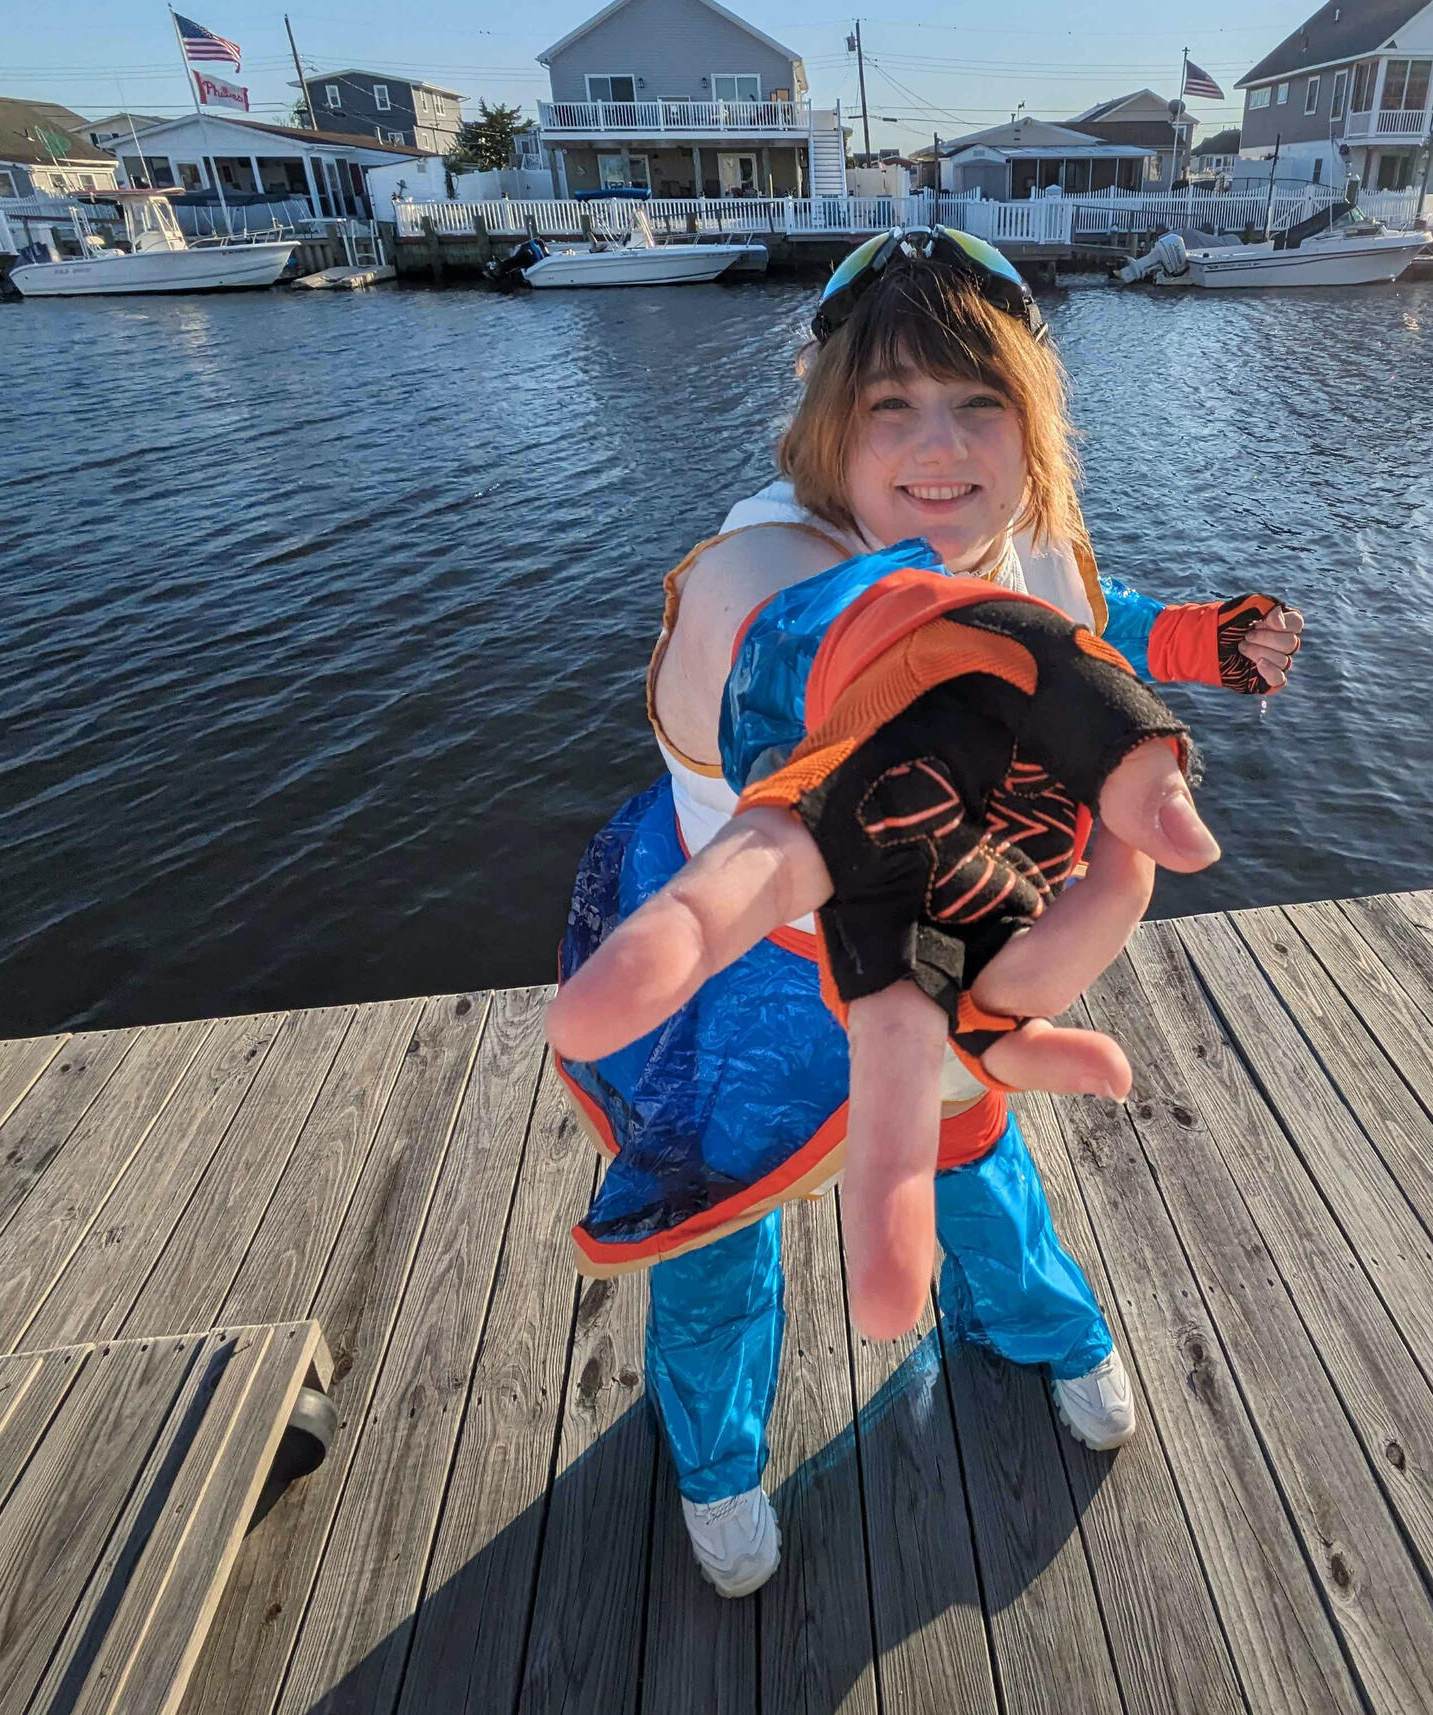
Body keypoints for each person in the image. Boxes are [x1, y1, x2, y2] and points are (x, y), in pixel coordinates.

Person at [546, 228, 1303, 1599]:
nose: (938, 446)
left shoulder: (1027, 539)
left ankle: (1034, 1328)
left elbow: (1084, 612)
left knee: (974, 1157)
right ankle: (716, 1460)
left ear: (1033, 420)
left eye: (978, 401)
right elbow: (782, 628)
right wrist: (904, 663)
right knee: (716, 1232)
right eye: (890, 404)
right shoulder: (761, 558)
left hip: (949, 940)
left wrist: (1197, 640)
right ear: (827, 425)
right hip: (748, 975)